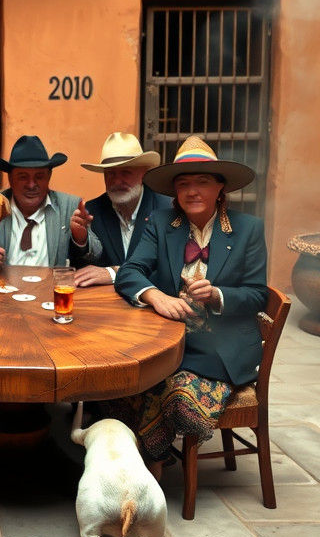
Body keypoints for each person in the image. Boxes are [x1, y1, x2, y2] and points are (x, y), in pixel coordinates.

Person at [111, 136, 268, 474]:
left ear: (220, 188)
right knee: (119, 384)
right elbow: (129, 272)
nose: (192, 191)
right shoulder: (160, 224)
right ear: (174, 192)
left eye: (202, 182)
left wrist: (217, 295)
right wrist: (156, 296)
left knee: (171, 393)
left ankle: (153, 463)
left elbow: (257, 294)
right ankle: (141, 467)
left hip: (223, 346)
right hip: (171, 339)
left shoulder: (247, 229)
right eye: (184, 184)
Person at [0, 135, 100, 271]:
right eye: (23, 176)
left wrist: (81, 239)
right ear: (10, 179)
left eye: (39, 176)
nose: (31, 184)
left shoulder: (70, 205)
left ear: (49, 177)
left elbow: (96, 255)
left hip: (51, 295)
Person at [73, 133, 170, 287]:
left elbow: (168, 270)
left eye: (126, 172)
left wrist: (114, 273)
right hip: (104, 305)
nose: (117, 181)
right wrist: (81, 240)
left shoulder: (167, 210)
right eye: (110, 173)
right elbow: (81, 270)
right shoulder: (92, 211)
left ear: (143, 172)